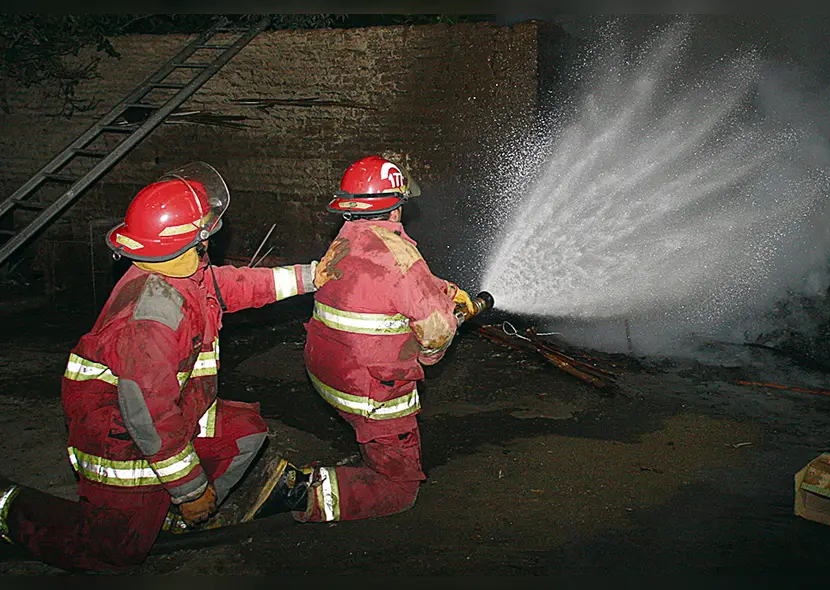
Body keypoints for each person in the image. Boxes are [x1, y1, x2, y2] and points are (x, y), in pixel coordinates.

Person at [0, 162, 337, 572]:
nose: (209, 241)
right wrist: (190, 489)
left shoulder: (178, 273)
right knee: (114, 550)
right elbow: (150, 416)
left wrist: (311, 276)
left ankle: (170, 517)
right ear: (187, 241)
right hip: (119, 434)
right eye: (204, 233)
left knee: (244, 433)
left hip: (169, 410)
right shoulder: (151, 320)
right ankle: (9, 508)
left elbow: (237, 286)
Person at [245, 155, 475, 523]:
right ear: (395, 208)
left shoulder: (348, 238)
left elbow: (384, 284)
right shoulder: (401, 257)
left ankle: (358, 456)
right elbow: (436, 330)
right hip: (370, 391)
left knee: (369, 433)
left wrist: (442, 290)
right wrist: (430, 354)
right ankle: (300, 493)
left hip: (326, 370)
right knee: (398, 489)